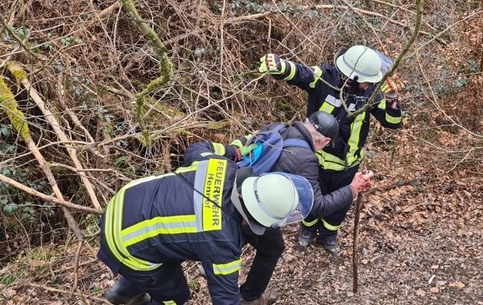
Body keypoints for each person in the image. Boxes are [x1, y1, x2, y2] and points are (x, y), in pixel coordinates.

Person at [189, 110, 373, 304]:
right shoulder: (307, 160)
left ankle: (215, 264)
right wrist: (352, 189)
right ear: (324, 141)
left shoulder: (276, 128)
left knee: (237, 236)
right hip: (251, 208)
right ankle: (250, 297)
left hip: (228, 192)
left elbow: (243, 145)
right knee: (272, 247)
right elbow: (317, 206)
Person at [97, 143, 314, 305]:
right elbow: (225, 298)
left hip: (126, 200)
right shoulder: (221, 242)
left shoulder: (223, 166)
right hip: (124, 242)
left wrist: (230, 149)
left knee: (166, 249)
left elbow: (196, 149)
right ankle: (136, 293)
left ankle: (124, 291)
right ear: (255, 220)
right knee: (174, 296)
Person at [257, 45, 403, 256]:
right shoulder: (325, 78)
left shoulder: (372, 93)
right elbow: (302, 73)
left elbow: (392, 122)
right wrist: (281, 67)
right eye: (366, 81)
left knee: (339, 204)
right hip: (315, 160)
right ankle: (307, 229)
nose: (369, 84)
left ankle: (329, 235)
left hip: (347, 164)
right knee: (309, 199)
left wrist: (392, 99)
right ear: (351, 78)